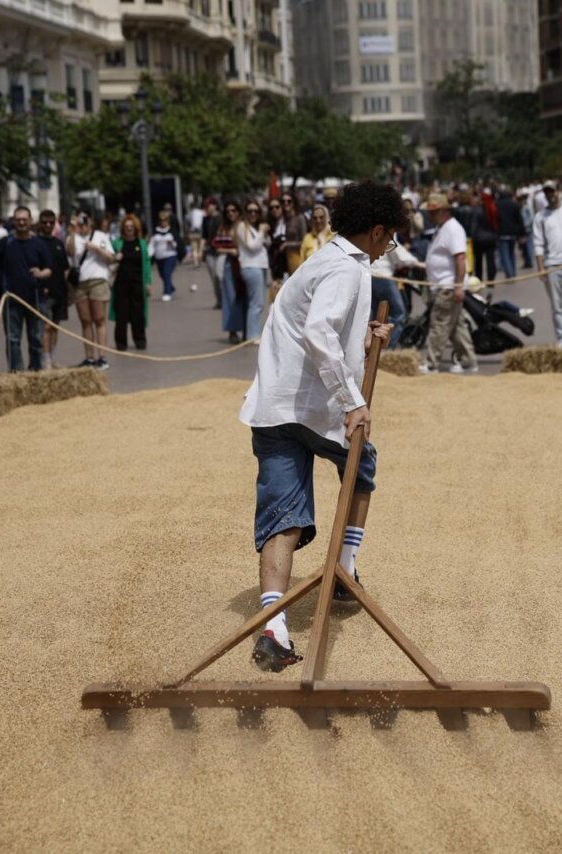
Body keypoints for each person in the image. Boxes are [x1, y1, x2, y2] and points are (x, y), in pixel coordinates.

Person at [237, 180, 404, 671]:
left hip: (273, 406)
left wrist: (363, 336)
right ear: (376, 230)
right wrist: (352, 402)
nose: (389, 246)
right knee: (362, 464)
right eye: (391, 237)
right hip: (312, 407)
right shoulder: (347, 268)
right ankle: (345, 573)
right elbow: (317, 332)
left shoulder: (321, 260)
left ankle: (274, 628)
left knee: (282, 515)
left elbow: (314, 325)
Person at [421, 193, 476, 373]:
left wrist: (458, 285)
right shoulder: (442, 228)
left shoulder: (452, 229)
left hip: (448, 286)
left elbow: (460, 258)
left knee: (439, 324)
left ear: (444, 211)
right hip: (445, 285)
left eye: (433, 212)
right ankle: (468, 361)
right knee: (456, 327)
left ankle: (431, 364)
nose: (430, 215)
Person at [0, 206, 53, 371]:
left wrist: (41, 274)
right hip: (11, 300)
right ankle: (17, 374)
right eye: (18, 220)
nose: (21, 223)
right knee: (13, 340)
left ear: (30, 221)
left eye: (24, 220)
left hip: (35, 299)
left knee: (36, 339)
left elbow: (49, 269)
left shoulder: (39, 244)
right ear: (13, 222)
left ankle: (35, 371)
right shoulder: (5, 243)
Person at [531, 185, 562, 348]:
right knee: (557, 306)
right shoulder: (540, 216)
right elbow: (538, 243)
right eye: (547, 192)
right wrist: (540, 267)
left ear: (559, 192)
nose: (551, 195)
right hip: (551, 265)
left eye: (553, 191)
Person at [68, 213, 114, 367]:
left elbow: (110, 258)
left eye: (85, 221)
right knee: (85, 321)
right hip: (80, 282)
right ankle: (89, 358)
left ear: (91, 222)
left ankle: (102, 357)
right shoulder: (73, 237)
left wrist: (96, 249)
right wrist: (73, 231)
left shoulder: (100, 236)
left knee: (99, 319)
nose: (82, 224)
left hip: (97, 279)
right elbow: (70, 252)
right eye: (79, 221)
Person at [112, 214, 150, 353]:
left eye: (132, 227)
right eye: (127, 227)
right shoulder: (117, 243)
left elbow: (147, 263)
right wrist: (115, 257)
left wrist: (148, 282)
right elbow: (109, 258)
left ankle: (140, 340)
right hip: (121, 283)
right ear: (123, 229)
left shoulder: (142, 244)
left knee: (138, 313)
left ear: (136, 228)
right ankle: (121, 343)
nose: (129, 229)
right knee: (121, 314)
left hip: (137, 283)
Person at [37, 209, 71, 368]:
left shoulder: (58, 243)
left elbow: (65, 268)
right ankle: (45, 359)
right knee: (46, 326)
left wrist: (68, 289)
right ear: (40, 223)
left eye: (51, 222)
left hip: (60, 291)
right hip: (44, 292)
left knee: (56, 327)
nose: (48, 225)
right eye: (45, 222)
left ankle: (51, 356)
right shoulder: (36, 242)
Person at [235, 200, 271, 341]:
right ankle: (252, 335)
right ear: (245, 212)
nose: (253, 214)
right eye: (250, 211)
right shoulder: (242, 226)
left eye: (256, 211)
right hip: (251, 266)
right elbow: (252, 246)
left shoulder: (254, 228)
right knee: (256, 303)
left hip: (260, 266)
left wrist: (263, 233)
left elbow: (265, 244)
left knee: (259, 302)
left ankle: (255, 332)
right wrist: (262, 231)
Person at [216, 202, 245, 343]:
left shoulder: (244, 225)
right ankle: (232, 330)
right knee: (230, 297)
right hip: (230, 264)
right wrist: (231, 251)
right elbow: (218, 247)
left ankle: (246, 328)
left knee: (245, 297)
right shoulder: (223, 228)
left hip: (246, 263)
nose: (231, 213)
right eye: (228, 211)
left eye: (233, 210)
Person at [149, 210, 180, 303]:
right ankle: (171, 287)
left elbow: (178, 245)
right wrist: (149, 255)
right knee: (162, 275)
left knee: (167, 273)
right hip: (159, 258)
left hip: (170, 256)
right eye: (161, 220)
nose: (163, 222)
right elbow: (151, 245)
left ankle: (167, 292)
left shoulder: (172, 232)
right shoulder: (155, 233)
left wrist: (172, 243)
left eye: (165, 220)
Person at [495, 189, 526, 280]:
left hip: (502, 232)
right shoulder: (514, 205)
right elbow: (519, 220)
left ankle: (509, 274)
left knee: (504, 255)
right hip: (513, 233)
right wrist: (522, 233)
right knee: (511, 253)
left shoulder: (497, 205)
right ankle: (513, 272)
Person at [201, 197, 224, 309]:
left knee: (219, 276)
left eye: (208, 206)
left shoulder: (221, 218)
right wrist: (201, 250)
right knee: (214, 278)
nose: (207, 208)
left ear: (215, 205)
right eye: (205, 206)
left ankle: (225, 300)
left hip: (221, 251)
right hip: (210, 251)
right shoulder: (205, 219)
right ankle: (219, 300)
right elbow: (204, 236)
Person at [185, 201, 205, 268]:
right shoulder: (202, 213)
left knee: (194, 249)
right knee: (200, 249)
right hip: (201, 233)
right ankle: (199, 261)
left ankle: (196, 262)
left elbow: (186, 226)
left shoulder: (188, 214)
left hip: (192, 234)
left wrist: (187, 234)